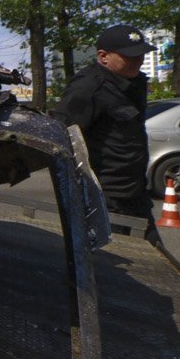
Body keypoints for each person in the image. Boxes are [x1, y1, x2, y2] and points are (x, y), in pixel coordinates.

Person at [52, 24, 159, 239]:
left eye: (141, 55)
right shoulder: (89, 86)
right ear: (103, 57)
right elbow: (61, 136)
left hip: (135, 194)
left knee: (154, 255)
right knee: (118, 258)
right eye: (130, 57)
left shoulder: (133, 82)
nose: (138, 60)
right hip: (106, 199)